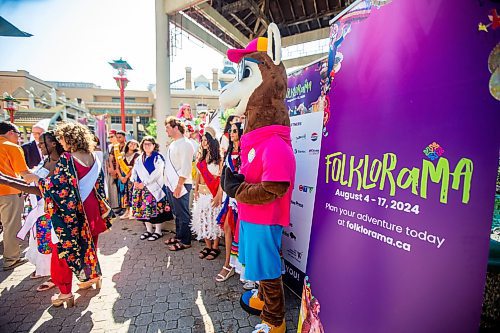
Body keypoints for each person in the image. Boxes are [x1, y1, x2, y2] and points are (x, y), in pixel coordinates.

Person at [43, 122, 113, 307]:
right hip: (93, 209)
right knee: (90, 244)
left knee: (64, 249)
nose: (61, 142)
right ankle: (91, 277)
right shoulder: (93, 156)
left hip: (74, 212)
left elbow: (58, 189)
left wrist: (39, 181)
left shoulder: (67, 159)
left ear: (70, 138)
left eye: (62, 138)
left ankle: (65, 292)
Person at [0, 131, 64, 291]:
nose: (39, 146)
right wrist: (8, 179)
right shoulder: (46, 161)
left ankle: (55, 277)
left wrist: (6, 180)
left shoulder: (61, 163)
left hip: (51, 211)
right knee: (40, 243)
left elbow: (41, 189)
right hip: (41, 210)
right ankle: (45, 271)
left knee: (51, 245)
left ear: (54, 144)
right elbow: (33, 184)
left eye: (43, 143)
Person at [0, 121, 37, 271]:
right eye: (18, 134)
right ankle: (11, 259)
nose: (19, 138)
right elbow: (24, 173)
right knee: (11, 225)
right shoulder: (11, 147)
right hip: (9, 191)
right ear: (10, 133)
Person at [131, 136, 172, 240]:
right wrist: (135, 181)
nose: (147, 146)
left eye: (149, 144)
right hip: (140, 189)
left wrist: (144, 183)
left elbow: (157, 173)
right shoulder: (139, 158)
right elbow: (134, 171)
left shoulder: (158, 157)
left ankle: (158, 231)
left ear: (154, 145)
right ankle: (148, 230)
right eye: (145, 144)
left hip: (153, 187)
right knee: (144, 210)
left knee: (156, 210)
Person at [216, 122, 242, 282]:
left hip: (243, 197)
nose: (231, 133)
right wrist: (220, 194)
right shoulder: (228, 153)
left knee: (240, 231)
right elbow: (223, 176)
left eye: (234, 131)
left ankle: (239, 264)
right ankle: (228, 264)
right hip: (230, 198)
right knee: (227, 226)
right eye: (230, 131)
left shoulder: (247, 152)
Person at [163, 116, 195, 251]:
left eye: (168, 128)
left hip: (181, 184)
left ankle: (186, 241)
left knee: (183, 213)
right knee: (177, 213)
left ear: (176, 127)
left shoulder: (186, 144)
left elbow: (186, 167)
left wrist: (179, 185)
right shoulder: (174, 143)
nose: (166, 132)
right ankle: (179, 235)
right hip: (172, 183)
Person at [192, 127, 223, 260]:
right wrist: (195, 191)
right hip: (201, 194)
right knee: (203, 220)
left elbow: (221, 179)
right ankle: (207, 246)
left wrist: (218, 196)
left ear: (212, 141)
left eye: (206, 140)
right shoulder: (201, 159)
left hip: (212, 194)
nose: (204, 143)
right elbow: (198, 176)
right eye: (202, 140)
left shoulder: (219, 160)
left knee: (213, 220)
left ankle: (215, 247)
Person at [119, 139, 140, 219]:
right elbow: (118, 166)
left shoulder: (137, 155)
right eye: (131, 143)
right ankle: (126, 212)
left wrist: (126, 177)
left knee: (132, 193)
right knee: (124, 194)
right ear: (127, 144)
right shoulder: (122, 154)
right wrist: (121, 176)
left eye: (135, 144)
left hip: (132, 176)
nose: (132, 145)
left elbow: (134, 167)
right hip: (123, 176)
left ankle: (133, 212)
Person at [112, 130, 128, 214]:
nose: (118, 139)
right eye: (117, 137)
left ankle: (126, 208)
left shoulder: (128, 146)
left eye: (120, 137)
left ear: (124, 137)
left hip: (126, 170)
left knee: (125, 190)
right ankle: (121, 206)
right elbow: (111, 158)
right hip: (118, 170)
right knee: (119, 189)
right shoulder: (115, 147)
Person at [105, 130, 119, 210]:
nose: (111, 138)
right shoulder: (110, 146)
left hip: (119, 170)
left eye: (112, 136)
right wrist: (110, 168)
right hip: (111, 169)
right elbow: (108, 159)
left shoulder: (119, 146)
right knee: (112, 187)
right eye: (109, 137)